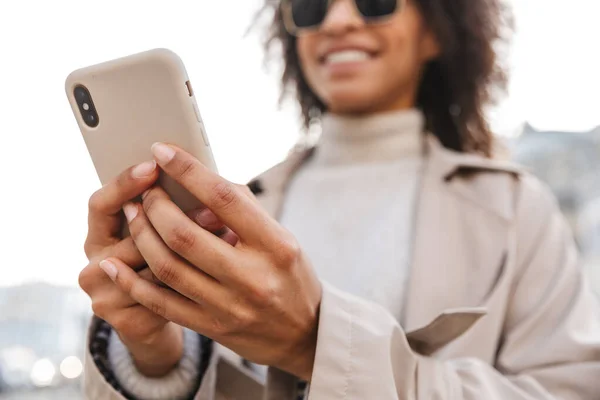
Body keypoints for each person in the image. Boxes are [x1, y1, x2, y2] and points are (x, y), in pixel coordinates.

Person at [78, 0, 600, 398]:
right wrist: (156, 356)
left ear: (436, 31)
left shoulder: (515, 207)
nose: (338, 20)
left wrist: (315, 344)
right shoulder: (240, 203)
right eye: (311, 4)